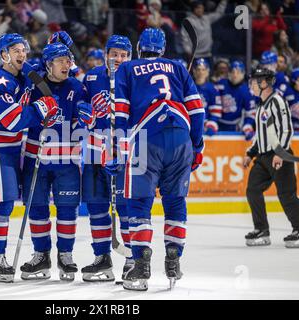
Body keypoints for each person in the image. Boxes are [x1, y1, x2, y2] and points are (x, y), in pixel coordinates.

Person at [109, 28, 204, 291]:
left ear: (139, 48)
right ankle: (173, 258)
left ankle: (140, 266)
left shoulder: (127, 69)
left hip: (146, 139)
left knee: (140, 203)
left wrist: (119, 148)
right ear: (162, 49)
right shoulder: (178, 67)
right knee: (175, 202)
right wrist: (196, 146)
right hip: (180, 138)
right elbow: (197, 110)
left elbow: (121, 113)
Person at [0, 34, 59, 283]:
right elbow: (13, 121)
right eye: (16, 50)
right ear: (3, 55)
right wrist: (42, 109)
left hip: (9, 150)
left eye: (24, 50)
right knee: (2, 205)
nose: (22, 54)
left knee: (0, 205)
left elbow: (49, 73)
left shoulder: (22, 74)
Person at [20, 42, 94, 282]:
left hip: (67, 161)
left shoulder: (76, 86)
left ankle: (66, 255)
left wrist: (85, 118)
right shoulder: (34, 85)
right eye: (60, 60)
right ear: (48, 64)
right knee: (38, 208)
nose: (66, 64)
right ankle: (41, 254)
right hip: (37, 158)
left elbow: (86, 114)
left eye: (67, 60)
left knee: (67, 209)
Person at [81, 35, 133, 283]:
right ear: (106, 54)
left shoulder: (136, 77)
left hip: (125, 152)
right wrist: (85, 113)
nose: (119, 59)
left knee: (126, 208)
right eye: (115, 54)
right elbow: (80, 102)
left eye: (124, 55)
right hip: (93, 151)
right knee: (96, 206)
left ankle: (132, 261)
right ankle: (102, 259)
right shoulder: (92, 77)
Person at [243, 67, 299, 249]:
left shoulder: (278, 101)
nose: (251, 85)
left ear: (264, 83)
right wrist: (251, 153)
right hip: (264, 158)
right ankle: (262, 230)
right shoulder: (261, 105)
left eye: (254, 81)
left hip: (280, 156)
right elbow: (262, 133)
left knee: (287, 195)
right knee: (253, 190)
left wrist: (280, 152)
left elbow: (287, 129)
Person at [215, 61, 256, 140]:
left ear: (243, 74)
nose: (235, 75)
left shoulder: (247, 91)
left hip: (235, 127)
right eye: (233, 72)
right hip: (217, 125)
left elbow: (250, 114)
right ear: (229, 73)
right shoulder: (220, 85)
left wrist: (247, 126)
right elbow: (212, 104)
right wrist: (211, 122)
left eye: (238, 72)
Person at [192, 58, 222, 136]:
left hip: (204, 126)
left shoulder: (213, 89)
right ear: (194, 71)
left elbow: (216, 111)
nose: (200, 72)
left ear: (207, 72)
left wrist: (211, 124)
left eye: (203, 70)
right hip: (189, 125)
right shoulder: (187, 87)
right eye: (198, 69)